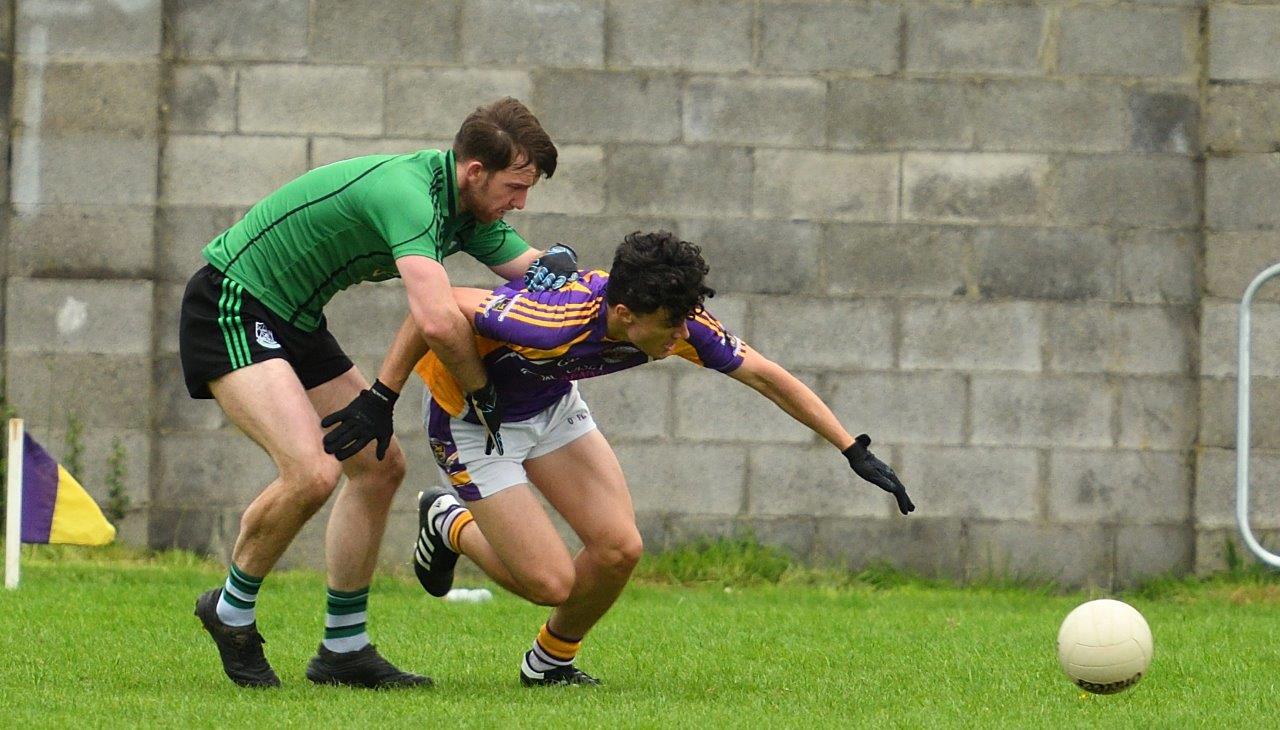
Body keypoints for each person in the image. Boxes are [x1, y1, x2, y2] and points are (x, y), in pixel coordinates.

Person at [393, 230, 916, 686]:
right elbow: (433, 309)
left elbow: (765, 374)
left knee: (618, 550)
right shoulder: (552, 321)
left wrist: (850, 447)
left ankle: (550, 663)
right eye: (672, 326)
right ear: (625, 315)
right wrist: (380, 394)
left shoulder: (676, 321)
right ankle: (448, 523)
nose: (685, 336)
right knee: (550, 583)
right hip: (472, 419)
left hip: (548, 406)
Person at [180, 97, 581, 689]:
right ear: (474, 172)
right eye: (515, 187)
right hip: (233, 302)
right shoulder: (408, 195)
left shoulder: (467, 211)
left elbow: (535, 272)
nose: (520, 203)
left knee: (377, 466)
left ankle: (343, 651)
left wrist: (569, 271)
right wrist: (473, 392)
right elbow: (438, 320)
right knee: (311, 472)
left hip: (294, 317)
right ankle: (231, 610)